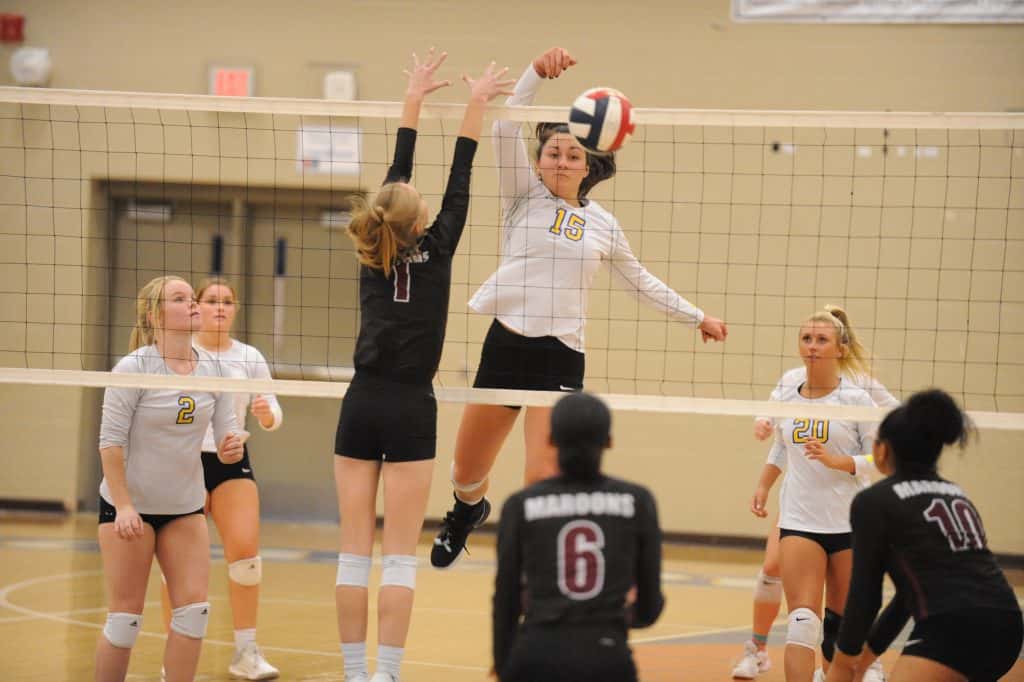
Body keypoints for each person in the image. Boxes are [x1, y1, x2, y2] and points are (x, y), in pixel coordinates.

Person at [432, 46, 728, 570]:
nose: (562, 161)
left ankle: (537, 572)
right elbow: (505, 128)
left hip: (560, 356)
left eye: (573, 155)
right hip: (506, 347)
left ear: (589, 164)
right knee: (465, 470)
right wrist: (534, 72)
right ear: (539, 161)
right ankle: (467, 510)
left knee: (542, 477)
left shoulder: (603, 225)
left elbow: (640, 282)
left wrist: (696, 316)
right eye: (553, 153)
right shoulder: (523, 195)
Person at [332, 49, 514, 682]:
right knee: (399, 559)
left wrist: (412, 96)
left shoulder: (370, 250)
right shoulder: (438, 250)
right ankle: (386, 675)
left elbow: (399, 168)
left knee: (353, 555)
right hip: (412, 406)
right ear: (423, 219)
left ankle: (354, 674)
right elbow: (462, 173)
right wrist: (477, 102)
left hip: (362, 402)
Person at [95, 276, 243, 682]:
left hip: (184, 507)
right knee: (124, 621)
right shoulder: (134, 368)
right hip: (131, 509)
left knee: (194, 614)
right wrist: (124, 506)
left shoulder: (215, 368)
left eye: (192, 297)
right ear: (154, 314)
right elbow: (110, 444)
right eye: (180, 299)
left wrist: (231, 447)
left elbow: (226, 435)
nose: (193, 304)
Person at [733, 317, 897, 681]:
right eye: (806, 338)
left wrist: (836, 461)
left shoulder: (856, 398)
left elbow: (878, 460)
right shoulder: (789, 389)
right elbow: (781, 445)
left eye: (822, 339)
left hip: (848, 524)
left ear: (840, 349)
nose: (812, 345)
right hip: (800, 520)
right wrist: (763, 485)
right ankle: (762, 651)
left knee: (839, 630)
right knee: (803, 622)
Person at [827, 389, 1023, 682]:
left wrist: (843, 662)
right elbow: (907, 597)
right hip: (1008, 625)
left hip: (951, 628)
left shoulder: (874, 501)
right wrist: (865, 659)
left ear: (882, 450)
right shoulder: (956, 494)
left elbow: (864, 596)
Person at [157, 277, 284, 680]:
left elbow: (273, 411)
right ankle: (175, 658)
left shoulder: (249, 357)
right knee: (178, 566)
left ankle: (246, 652)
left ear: (235, 309)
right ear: (197, 307)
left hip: (231, 459)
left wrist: (267, 414)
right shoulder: (179, 353)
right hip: (185, 462)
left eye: (227, 302)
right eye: (211, 300)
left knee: (246, 557)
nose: (219, 308)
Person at [492, 392, 664, 682]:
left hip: (536, 655)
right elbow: (649, 609)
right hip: (607, 659)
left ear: (551, 441)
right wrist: (611, 621)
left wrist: (504, 665)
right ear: (608, 441)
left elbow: (505, 599)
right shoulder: (638, 501)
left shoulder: (520, 505)